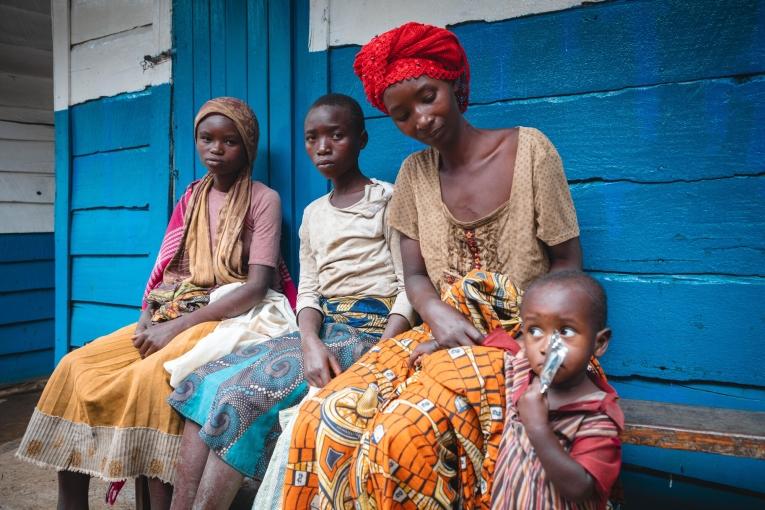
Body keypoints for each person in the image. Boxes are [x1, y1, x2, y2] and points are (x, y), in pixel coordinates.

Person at [282, 22, 584, 509]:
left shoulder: (529, 151)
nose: (420, 120)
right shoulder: (414, 176)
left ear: (456, 85)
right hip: (439, 332)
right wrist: (437, 313)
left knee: (401, 436)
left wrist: (526, 341)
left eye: (428, 97)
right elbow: (416, 275)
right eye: (402, 115)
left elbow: (568, 264)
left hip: (528, 339)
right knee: (325, 414)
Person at [16, 97, 290, 510]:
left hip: (227, 313)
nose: (216, 149)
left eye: (229, 141)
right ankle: (70, 502)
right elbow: (165, 271)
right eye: (206, 138)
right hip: (172, 308)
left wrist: (173, 328)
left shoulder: (262, 198)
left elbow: (254, 287)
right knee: (74, 366)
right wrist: (148, 318)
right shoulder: (191, 198)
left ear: (247, 147)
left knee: (149, 379)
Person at [166, 93, 415, 509]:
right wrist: (309, 340)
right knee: (203, 382)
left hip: (373, 333)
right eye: (312, 137)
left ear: (362, 140)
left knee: (243, 397)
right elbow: (312, 289)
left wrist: (384, 350)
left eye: (336, 135)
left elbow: (409, 286)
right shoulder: (314, 213)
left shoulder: (387, 201)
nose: (323, 147)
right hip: (323, 328)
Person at [489, 270, 623, 510]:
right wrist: (439, 343)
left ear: (599, 343)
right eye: (535, 331)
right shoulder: (522, 372)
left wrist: (538, 427)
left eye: (565, 331)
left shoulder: (598, 415)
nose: (547, 347)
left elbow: (580, 488)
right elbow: (495, 346)